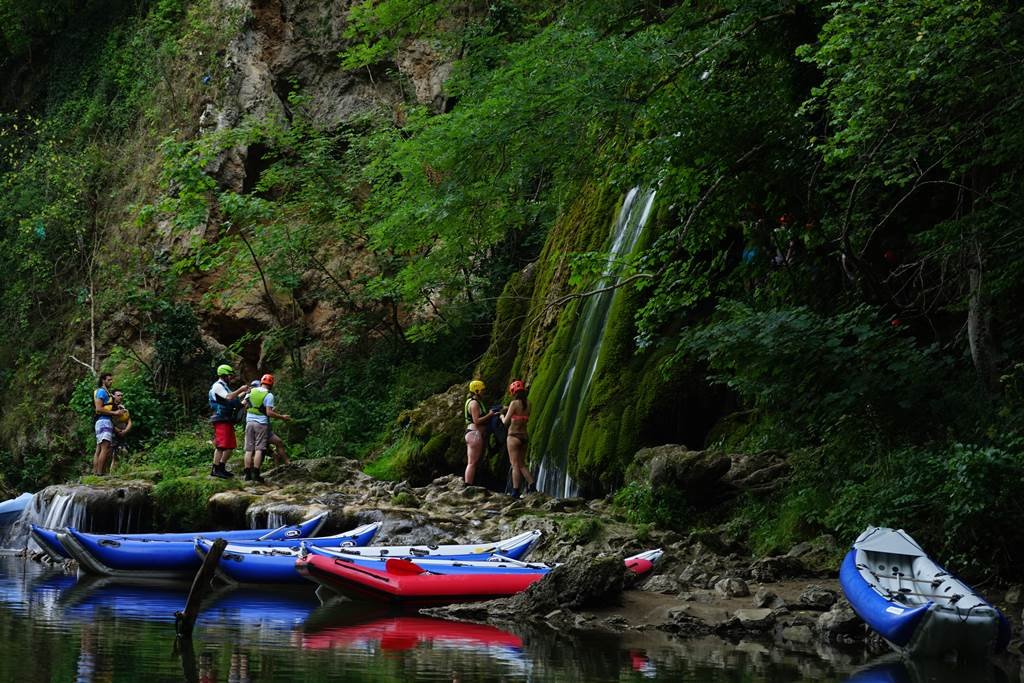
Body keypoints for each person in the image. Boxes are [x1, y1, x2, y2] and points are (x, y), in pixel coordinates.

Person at [243, 373, 292, 483]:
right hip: (261, 424)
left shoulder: (251, 391)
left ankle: (247, 475)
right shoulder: (269, 395)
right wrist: (282, 417)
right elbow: (269, 413)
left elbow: (244, 405)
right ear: (271, 384)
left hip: (249, 422)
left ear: (261, 382)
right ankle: (256, 474)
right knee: (259, 449)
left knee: (249, 449)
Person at [209, 364, 247, 479]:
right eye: (229, 375)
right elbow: (229, 397)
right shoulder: (217, 386)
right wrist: (240, 389)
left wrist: (244, 394)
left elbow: (233, 399)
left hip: (227, 419)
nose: (231, 378)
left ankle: (221, 467)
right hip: (221, 419)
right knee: (221, 445)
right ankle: (215, 469)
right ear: (224, 375)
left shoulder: (224, 386)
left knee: (230, 446)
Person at [501, 379, 535, 497]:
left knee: (514, 464)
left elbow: (505, 422)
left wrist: (501, 415)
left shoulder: (514, 403)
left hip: (513, 436)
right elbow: (521, 416)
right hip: (524, 436)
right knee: (522, 464)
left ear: (513, 392)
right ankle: (532, 485)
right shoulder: (529, 404)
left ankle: (515, 491)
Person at [92, 373, 126, 476]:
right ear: (103, 380)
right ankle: (99, 473)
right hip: (103, 422)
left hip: (102, 422)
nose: (111, 382)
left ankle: (96, 473)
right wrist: (115, 413)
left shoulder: (106, 393)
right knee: (105, 448)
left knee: (99, 448)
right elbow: (99, 408)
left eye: (111, 380)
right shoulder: (102, 392)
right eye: (109, 380)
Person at [463, 380, 496, 485]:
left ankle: (471, 483)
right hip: (474, 434)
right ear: (476, 391)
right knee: (472, 463)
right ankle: (468, 485)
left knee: (474, 462)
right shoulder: (474, 403)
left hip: (473, 434)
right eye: (482, 390)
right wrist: (490, 415)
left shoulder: (475, 401)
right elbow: (476, 420)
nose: (484, 392)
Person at [110, 389, 133, 469]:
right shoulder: (111, 407)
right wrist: (116, 429)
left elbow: (129, 420)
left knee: (124, 452)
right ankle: (112, 474)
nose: (120, 397)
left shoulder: (123, 407)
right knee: (114, 454)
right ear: (113, 396)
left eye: (121, 395)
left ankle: (123, 470)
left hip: (123, 432)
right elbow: (109, 421)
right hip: (114, 433)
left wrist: (126, 430)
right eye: (118, 395)